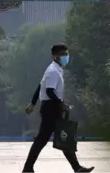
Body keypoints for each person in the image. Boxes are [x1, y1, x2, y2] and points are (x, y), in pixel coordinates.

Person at [22, 44, 94, 173]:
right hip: (50, 108)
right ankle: (28, 168)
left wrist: (33, 104)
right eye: (63, 54)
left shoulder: (55, 69)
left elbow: (40, 87)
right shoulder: (53, 71)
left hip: (52, 107)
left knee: (62, 137)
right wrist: (60, 103)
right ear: (56, 56)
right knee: (45, 139)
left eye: (67, 54)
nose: (66, 57)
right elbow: (49, 91)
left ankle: (76, 168)